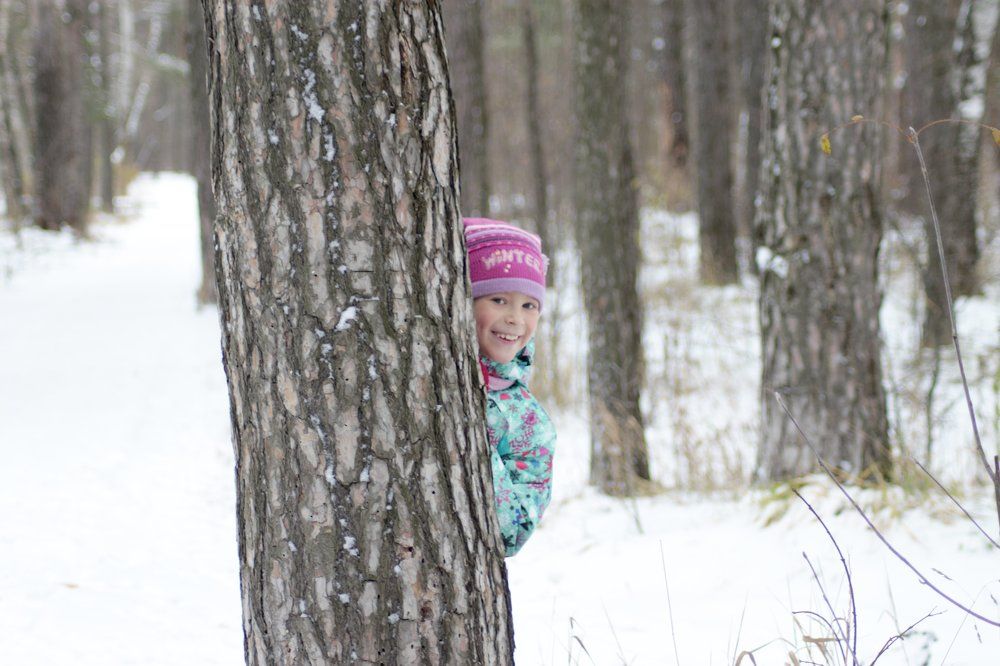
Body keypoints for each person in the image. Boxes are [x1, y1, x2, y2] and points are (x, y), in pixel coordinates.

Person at [464, 218, 556, 557]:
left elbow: (512, 533)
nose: (515, 318)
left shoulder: (527, 420)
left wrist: (473, 439)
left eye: (529, 305)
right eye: (498, 299)